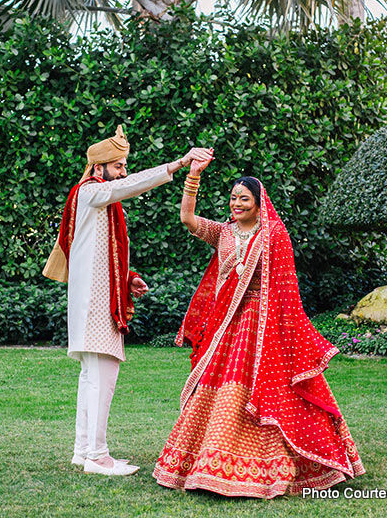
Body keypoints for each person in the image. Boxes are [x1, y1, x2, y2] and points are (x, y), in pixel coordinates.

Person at [152, 159, 365, 498]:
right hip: (226, 324)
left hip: (262, 323)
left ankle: (268, 467)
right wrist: (192, 176)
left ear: (258, 203)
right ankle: (208, 462)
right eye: (233, 198)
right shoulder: (223, 231)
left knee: (259, 392)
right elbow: (187, 219)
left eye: (243, 200)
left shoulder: (274, 236)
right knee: (217, 386)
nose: (236, 205)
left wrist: (278, 333)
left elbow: (284, 290)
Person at [43, 125, 212, 476]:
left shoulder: (92, 196)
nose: (123, 172)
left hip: (93, 297)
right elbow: (129, 187)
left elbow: (99, 251)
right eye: (118, 166)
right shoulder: (90, 191)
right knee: (102, 374)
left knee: (92, 376)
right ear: (99, 167)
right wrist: (178, 164)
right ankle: (98, 456)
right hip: (95, 302)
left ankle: (82, 451)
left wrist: (128, 278)